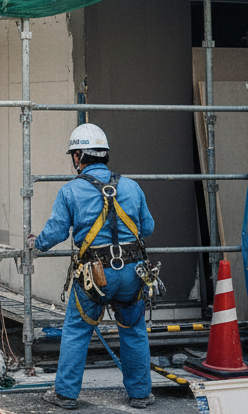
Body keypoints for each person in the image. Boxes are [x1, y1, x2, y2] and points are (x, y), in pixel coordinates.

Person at [27, 124, 157, 410]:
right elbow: (147, 228)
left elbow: (55, 233)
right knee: (133, 330)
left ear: (78, 156)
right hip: (133, 273)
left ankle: (65, 394)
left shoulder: (70, 191)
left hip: (95, 275)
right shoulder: (131, 186)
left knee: (77, 330)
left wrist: (36, 243)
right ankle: (140, 394)